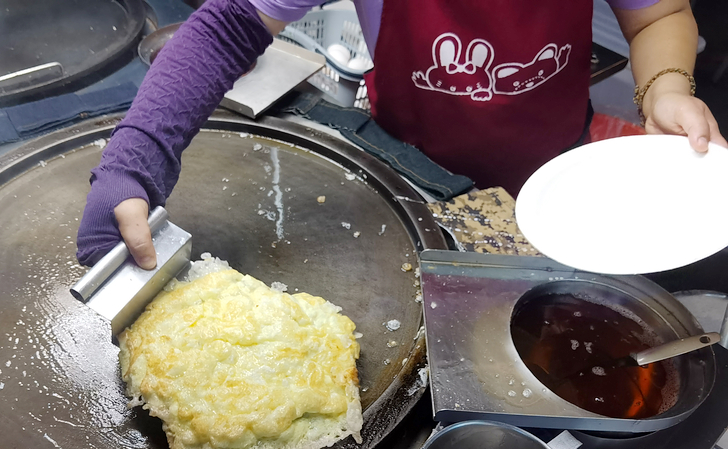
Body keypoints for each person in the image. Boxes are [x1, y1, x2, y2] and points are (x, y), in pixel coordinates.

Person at [76, 0, 727, 270]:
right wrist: (136, 159)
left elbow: (658, 14)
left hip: (555, 178)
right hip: (408, 177)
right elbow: (228, 27)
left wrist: (666, 89)